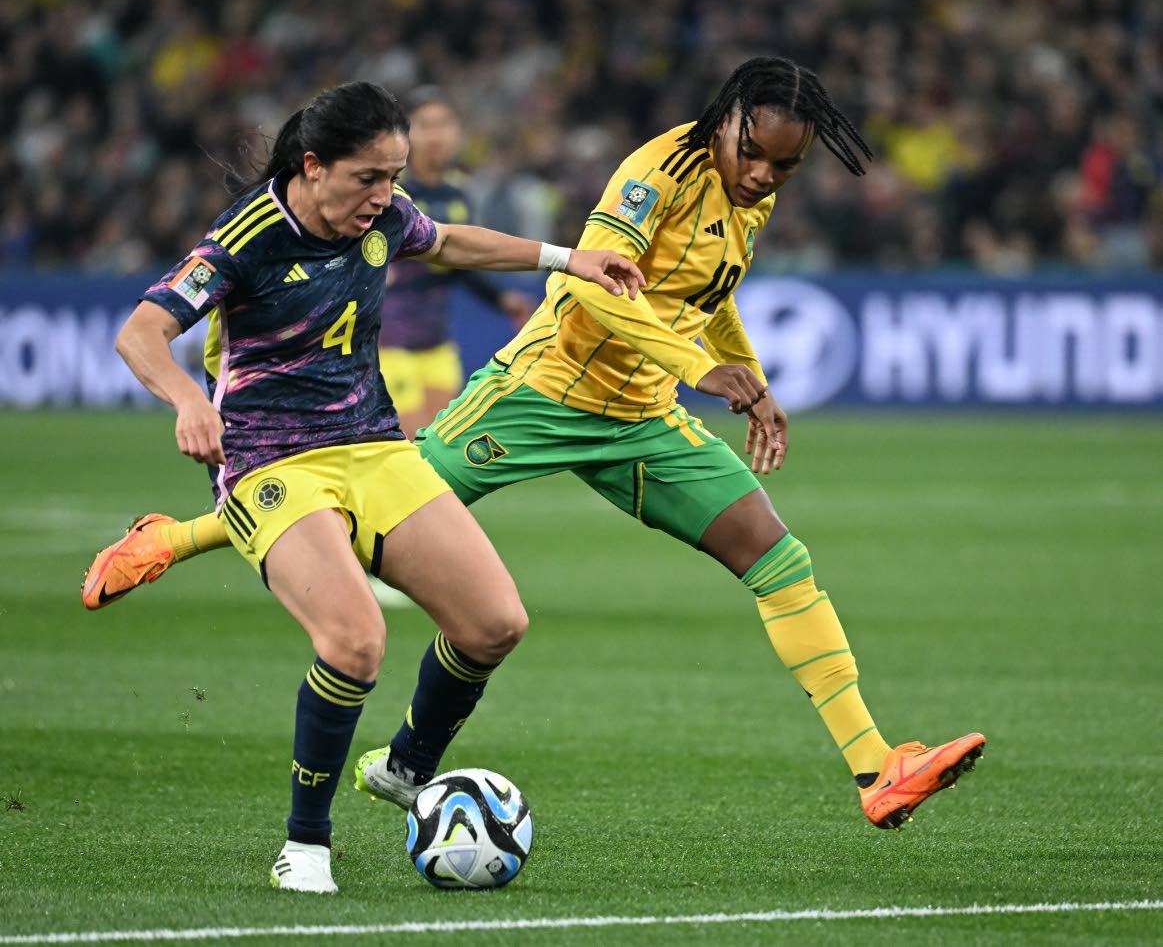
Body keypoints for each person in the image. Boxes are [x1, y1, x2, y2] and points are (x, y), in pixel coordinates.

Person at [84, 58, 984, 836]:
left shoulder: (749, 197)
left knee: (779, 560)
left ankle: (875, 769)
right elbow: (592, 287)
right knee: (361, 519)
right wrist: (699, 370)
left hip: (640, 416)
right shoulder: (654, 174)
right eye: (753, 153)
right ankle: (178, 536)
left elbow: (707, 298)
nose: (762, 175)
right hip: (537, 397)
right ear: (727, 121)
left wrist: (741, 371)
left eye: (784, 166)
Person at [98, 80, 645, 894]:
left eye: (393, 177)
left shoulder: (383, 216)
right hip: (268, 462)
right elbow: (142, 330)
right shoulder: (245, 238)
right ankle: (305, 845)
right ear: (312, 166)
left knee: (494, 624)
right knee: (355, 642)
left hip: (373, 447)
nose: (385, 197)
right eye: (368, 178)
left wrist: (570, 260)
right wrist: (186, 401)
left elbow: (448, 241)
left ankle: (405, 767)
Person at [379, 86, 535, 439]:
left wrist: (502, 299)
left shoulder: (458, 196)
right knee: (410, 446)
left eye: (444, 124)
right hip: (390, 342)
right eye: (425, 125)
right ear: (405, 134)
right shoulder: (389, 192)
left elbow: (458, 262)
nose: (436, 135)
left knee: (437, 445)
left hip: (436, 342)